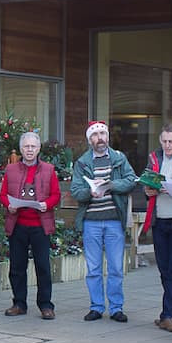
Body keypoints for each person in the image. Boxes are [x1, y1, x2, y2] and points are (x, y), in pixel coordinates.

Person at [70, 120, 137, 323]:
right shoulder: (82, 162)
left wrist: (111, 185)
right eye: (96, 135)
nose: (101, 138)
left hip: (114, 220)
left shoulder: (118, 158)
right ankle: (96, 307)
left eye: (103, 134)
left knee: (116, 267)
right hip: (91, 221)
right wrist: (90, 192)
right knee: (94, 269)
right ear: (90, 140)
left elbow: (131, 180)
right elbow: (75, 191)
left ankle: (116, 308)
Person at [0, 131, 60, 320]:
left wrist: (46, 205)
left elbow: (56, 195)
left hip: (40, 225)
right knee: (17, 267)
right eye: (26, 146)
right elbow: (2, 194)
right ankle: (19, 303)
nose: (30, 150)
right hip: (18, 224)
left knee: (43, 267)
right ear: (21, 149)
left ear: (39, 148)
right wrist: (9, 206)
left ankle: (46, 305)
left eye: (33, 146)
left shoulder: (49, 170)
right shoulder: (11, 170)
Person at [140, 124, 172, 333]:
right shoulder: (155, 158)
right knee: (165, 268)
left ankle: (167, 315)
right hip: (160, 219)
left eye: (171, 141)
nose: (167, 145)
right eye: (164, 141)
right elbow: (147, 184)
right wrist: (148, 191)